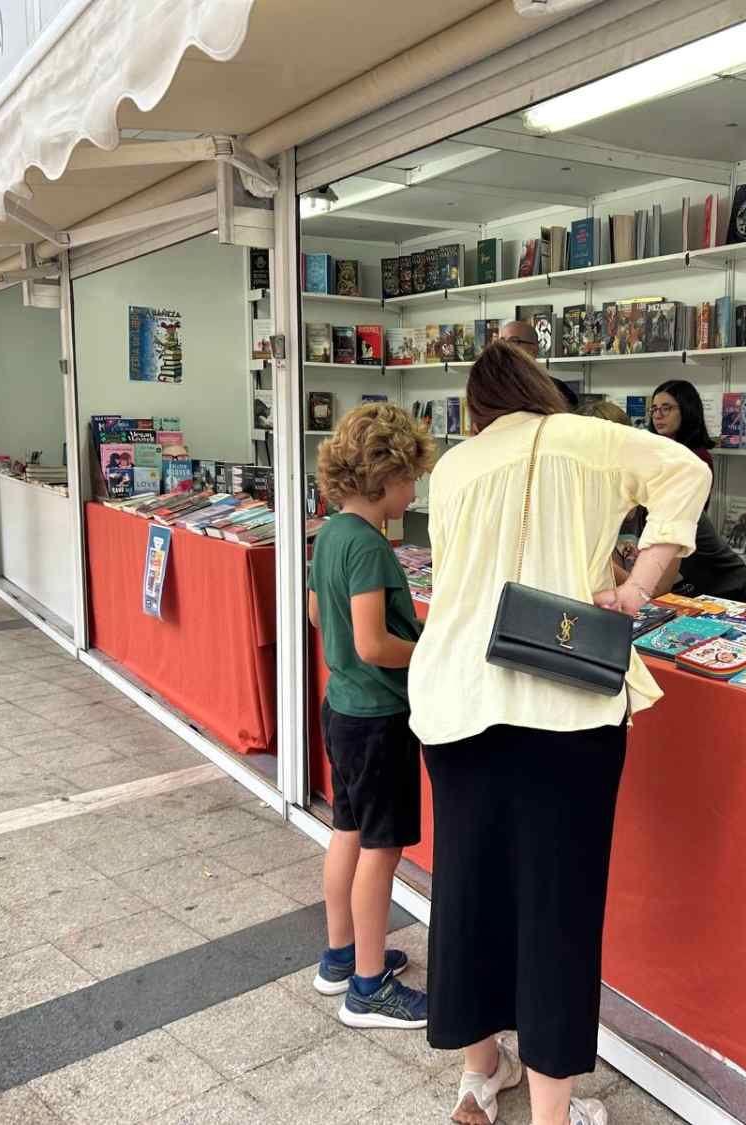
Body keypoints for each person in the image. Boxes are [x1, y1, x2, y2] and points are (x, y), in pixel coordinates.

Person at [411, 341, 709, 1125]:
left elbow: (451, 579)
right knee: (558, 907)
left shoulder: (453, 468)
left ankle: (481, 1074)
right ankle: (551, 1115)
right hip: (566, 705)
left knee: (467, 888)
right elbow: (688, 470)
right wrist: (637, 584)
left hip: (455, 697)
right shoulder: (584, 436)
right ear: (540, 390)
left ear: (476, 409)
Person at [307, 402, 436, 1030]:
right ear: (382, 476)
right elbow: (373, 646)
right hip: (380, 718)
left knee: (348, 834)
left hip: (342, 709)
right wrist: (432, 650)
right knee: (381, 851)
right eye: (412, 477)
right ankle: (367, 987)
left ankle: (339, 957)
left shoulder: (330, 534)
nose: (415, 490)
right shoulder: (371, 548)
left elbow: (316, 615)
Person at [581, 401, 746, 603]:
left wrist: (585, 558)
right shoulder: (595, 496)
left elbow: (655, 589)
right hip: (673, 599)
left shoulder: (663, 491)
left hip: (722, 593)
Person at [501, 319, 580, 409]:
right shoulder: (488, 387)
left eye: (513, 341)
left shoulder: (555, 390)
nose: (504, 347)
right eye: (501, 342)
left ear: (533, 349)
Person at [650, 378, 716, 477]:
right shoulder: (654, 449)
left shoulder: (697, 457)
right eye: (654, 409)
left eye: (666, 408)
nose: (657, 415)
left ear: (687, 410)